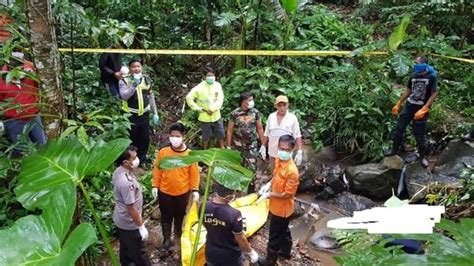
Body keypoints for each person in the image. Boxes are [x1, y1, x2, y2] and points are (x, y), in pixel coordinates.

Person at [152, 122, 200, 251]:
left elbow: (194, 174)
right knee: (166, 217)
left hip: (182, 192)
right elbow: (157, 170)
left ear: (183, 136)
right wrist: (155, 186)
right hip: (165, 191)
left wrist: (195, 189)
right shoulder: (163, 152)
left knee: (179, 215)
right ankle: (167, 239)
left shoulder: (190, 155)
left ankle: (178, 235)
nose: (174, 138)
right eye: (172, 135)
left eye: (177, 136)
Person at [384, 55, 438, 168]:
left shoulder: (431, 77)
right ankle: (394, 150)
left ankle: (422, 157)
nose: (414, 64)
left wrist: (425, 108)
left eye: (416, 62)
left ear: (423, 64)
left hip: (421, 109)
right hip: (409, 106)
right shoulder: (414, 75)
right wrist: (399, 103)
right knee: (399, 128)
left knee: (420, 135)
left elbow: (434, 94)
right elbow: (408, 90)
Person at [259, 134, 300, 265]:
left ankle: (269, 261)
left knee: (274, 235)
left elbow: (288, 194)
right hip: (275, 204)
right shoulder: (278, 160)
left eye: (287, 150)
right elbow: (276, 177)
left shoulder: (292, 171)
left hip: (282, 209)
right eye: (281, 148)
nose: (283, 152)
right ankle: (286, 252)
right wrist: (268, 184)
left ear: (292, 150)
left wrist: (269, 194)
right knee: (284, 229)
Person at [0, 51, 46, 156]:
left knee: (42, 145)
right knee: (21, 150)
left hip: (34, 116)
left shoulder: (29, 73)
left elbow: (41, 83)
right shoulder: (2, 81)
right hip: (15, 121)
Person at [112, 145, 151, 266]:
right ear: (125, 162)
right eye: (134, 158)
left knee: (126, 248)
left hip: (121, 219)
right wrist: (140, 226)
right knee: (140, 253)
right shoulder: (126, 183)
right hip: (129, 223)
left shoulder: (119, 171)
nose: (137, 159)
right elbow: (131, 207)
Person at [203, 184, 259, 266]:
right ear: (230, 195)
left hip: (211, 252)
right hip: (229, 256)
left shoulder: (204, 206)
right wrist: (251, 252)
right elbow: (240, 239)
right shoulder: (234, 214)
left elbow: (205, 224)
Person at [119, 58, 159, 165]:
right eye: (133, 66)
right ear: (130, 68)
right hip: (131, 115)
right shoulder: (124, 81)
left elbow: (151, 97)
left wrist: (155, 113)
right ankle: (130, 161)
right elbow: (124, 96)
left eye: (138, 66)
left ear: (141, 67)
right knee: (132, 139)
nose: (136, 68)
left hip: (144, 115)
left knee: (144, 139)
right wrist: (134, 85)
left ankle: (141, 161)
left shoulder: (146, 79)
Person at [226, 92, 265, 192]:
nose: (251, 102)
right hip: (237, 146)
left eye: (252, 99)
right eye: (248, 100)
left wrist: (264, 144)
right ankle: (236, 190)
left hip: (252, 146)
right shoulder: (234, 114)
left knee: (251, 168)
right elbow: (230, 131)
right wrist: (228, 146)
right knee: (237, 167)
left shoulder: (255, 113)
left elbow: (260, 129)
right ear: (242, 102)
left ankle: (250, 190)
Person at [185, 67, 225, 149]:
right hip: (204, 116)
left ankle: (222, 148)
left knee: (220, 133)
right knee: (206, 135)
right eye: (208, 75)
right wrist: (198, 108)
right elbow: (188, 98)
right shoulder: (199, 87)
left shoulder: (217, 85)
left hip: (216, 115)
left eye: (212, 75)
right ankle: (204, 151)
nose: (211, 77)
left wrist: (212, 109)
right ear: (205, 77)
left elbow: (220, 99)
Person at [261, 95, 303, 171]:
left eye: (284, 105)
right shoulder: (271, 117)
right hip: (272, 151)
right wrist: (263, 146)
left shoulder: (292, 118)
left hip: (286, 153)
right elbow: (267, 134)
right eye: (279, 105)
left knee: (285, 173)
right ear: (275, 106)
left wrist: (300, 151)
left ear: (288, 105)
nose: (282, 108)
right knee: (274, 172)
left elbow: (297, 135)